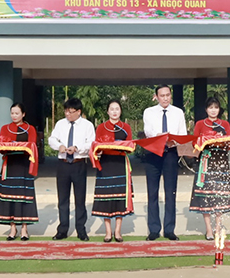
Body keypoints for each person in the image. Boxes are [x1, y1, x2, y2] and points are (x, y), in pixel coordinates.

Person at [142, 85, 187, 241]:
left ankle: (169, 229)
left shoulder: (178, 112)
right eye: (162, 95)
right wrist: (160, 136)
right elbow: (148, 132)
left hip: (171, 154)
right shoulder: (149, 112)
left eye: (168, 95)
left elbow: (183, 134)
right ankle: (154, 229)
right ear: (157, 97)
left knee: (170, 192)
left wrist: (173, 140)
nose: (165, 98)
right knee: (152, 192)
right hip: (154, 153)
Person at [48, 98, 95, 241]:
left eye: (71, 111)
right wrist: (59, 147)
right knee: (63, 199)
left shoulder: (87, 125)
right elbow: (52, 139)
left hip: (79, 163)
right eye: (66, 111)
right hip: (63, 164)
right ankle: (62, 229)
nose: (68, 114)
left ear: (78, 112)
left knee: (80, 199)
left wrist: (77, 147)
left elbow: (91, 142)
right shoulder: (60, 124)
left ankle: (81, 229)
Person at [189, 97, 230, 241]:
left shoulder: (225, 124)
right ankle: (208, 228)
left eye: (216, 107)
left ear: (219, 109)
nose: (213, 110)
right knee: (206, 196)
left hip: (221, 163)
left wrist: (222, 141)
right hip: (205, 162)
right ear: (206, 109)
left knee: (219, 195)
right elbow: (194, 143)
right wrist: (204, 141)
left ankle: (218, 226)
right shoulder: (200, 124)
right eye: (210, 107)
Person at [91, 99, 134, 242]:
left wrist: (120, 145)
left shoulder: (126, 127)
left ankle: (118, 232)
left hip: (120, 164)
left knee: (120, 197)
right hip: (105, 165)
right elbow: (96, 146)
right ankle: (108, 232)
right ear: (107, 111)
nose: (115, 111)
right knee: (106, 198)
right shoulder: (101, 127)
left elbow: (131, 146)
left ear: (120, 111)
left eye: (117, 109)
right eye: (112, 109)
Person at [0, 102, 38, 241]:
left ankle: (24, 229)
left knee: (24, 197)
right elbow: (1, 147)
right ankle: (12, 228)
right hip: (10, 165)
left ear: (23, 114)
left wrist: (16, 146)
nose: (14, 116)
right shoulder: (5, 128)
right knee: (9, 198)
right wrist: (6, 146)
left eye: (17, 113)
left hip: (24, 166)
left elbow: (31, 146)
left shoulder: (30, 129)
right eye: (12, 113)